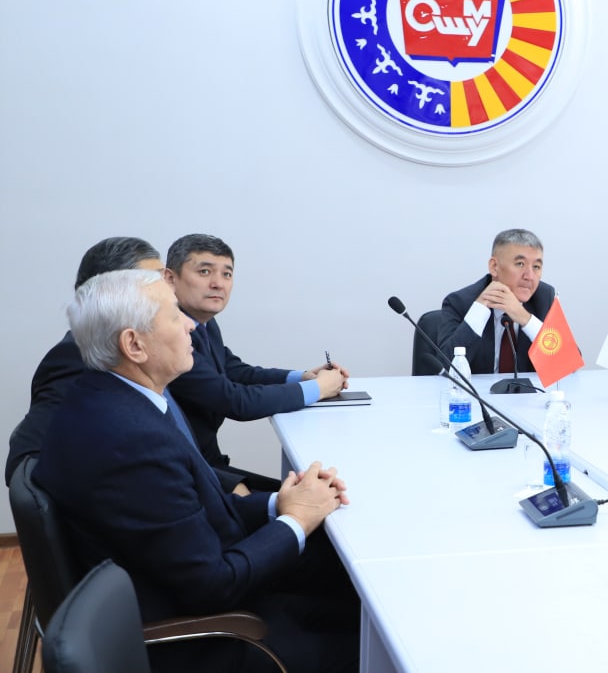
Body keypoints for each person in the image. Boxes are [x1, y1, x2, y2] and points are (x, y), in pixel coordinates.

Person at [33, 269, 358, 672]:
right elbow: (214, 585)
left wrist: (281, 503)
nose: (190, 325)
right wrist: (298, 519)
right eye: (175, 315)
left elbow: (193, 513)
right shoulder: (130, 441)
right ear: (134, 345)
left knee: (352, 589)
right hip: (205, 638)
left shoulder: (113, 401)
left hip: (199, 597)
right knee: (378, 643)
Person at [165, 234, 348, 491]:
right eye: (204, 271)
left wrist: (302, 376)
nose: (218, 284)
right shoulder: (169, 335)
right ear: (170, 278)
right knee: (319, 496)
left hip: (208, 464)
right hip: (190, 474)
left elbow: (235, 371)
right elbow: (235, 401)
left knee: (323, 492)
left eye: (227, 274)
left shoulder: (204, 323)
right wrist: (318, 389)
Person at [6, 237, 167, 485]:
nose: (169, 290)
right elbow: (25, 461)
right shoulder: (76, 357)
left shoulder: (146, 351)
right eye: (154, 281)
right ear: (109, 293)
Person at [439, 228, 556, 374]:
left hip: (527, 389)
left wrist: (525, 318)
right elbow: (444, 368)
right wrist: (480, 310)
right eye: (520, 264)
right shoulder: (460, 302)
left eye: (536, 267)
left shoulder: (544, 298)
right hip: (476, 389)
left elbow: (569, 363)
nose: (529, 276)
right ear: (494, 267)